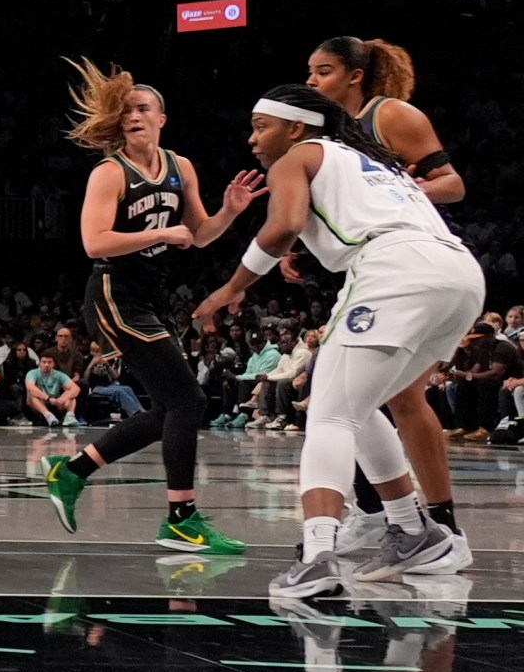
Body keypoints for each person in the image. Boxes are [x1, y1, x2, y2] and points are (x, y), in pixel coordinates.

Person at [194, 84, 483, 596]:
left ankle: (319, 554)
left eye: (262, 127)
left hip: (395, 270)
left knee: (327, 414)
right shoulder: (372, 160)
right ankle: (415, 532)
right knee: (360, 403)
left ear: (296, 127)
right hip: (459, 272)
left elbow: (284, 224)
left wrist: (230, 289)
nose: (253, 139)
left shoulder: (298, 155)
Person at [35, 62, 259, 555]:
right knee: (190, 402)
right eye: (127, 110)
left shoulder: (181, 167)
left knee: (169, 409)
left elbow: (198, 235)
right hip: (114, 293)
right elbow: (95, 242)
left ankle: (71, 472)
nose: (134, 115)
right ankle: (181, 518)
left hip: (150, 294)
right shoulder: (110, 172)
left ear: (162, 118)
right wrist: (159, 231)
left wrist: (229, 212)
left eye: (144, 108)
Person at [302, 35, 467, 544]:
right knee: (366, 397)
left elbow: (453, 184)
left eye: (323, 71)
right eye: (309, 71)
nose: (312, 80)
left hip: (412, 263)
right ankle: (394, 518)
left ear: (355, 76)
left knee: (392, 397)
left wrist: (407, 188)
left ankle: (433, 521)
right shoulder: (327, 132)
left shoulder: (390, 115)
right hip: (371, 270)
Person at [25, 354, 79, 427]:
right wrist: (48, 398)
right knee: (32, 394)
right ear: (40, 363)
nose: (46, 365)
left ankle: (70, 415)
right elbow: (30, 387)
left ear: (53, 364)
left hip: (56, 403)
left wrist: (63, 399)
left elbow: (76, 388)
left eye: (49, 362)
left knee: (71, 393)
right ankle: (48, 415)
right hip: (41, 402)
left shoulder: (59, 374)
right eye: (44, 362)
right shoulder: (32, 373)